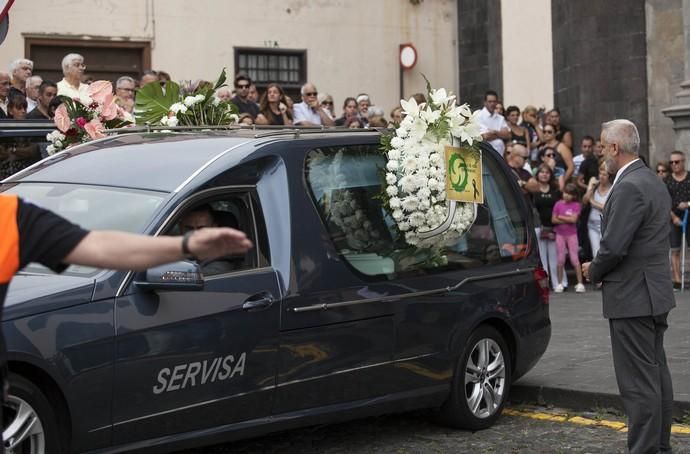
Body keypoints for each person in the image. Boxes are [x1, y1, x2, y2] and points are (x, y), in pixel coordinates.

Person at [0, 193, 253, 438]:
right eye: (188, 229)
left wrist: (183, 246)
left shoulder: (10, 216)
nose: (193, 232)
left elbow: (98, 247)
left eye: (199, 228)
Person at [582, 119, 675, 454]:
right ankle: (659, 446)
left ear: (614, 148)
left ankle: (646, 449)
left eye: (602, 146)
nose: (600, 153)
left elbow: (614, 246)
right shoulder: (651, 180)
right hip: (653, 293)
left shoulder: (629, 186)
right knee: (656, 375)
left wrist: (594, 269)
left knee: (638, 384)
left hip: (633, 297)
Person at [533, 164, 564, 290]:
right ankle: (545, 284)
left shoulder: (555, 190)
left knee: (554, 257)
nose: (544, 174)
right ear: (537, 174)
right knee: (542, 258)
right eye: (542, 172)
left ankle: (557, 283)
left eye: (547, 172)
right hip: (539, 227)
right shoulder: (534, 190)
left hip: (554, 227)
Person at [551, 182, 585, 293]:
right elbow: (553, 220)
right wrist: (567, 218)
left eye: (569, 194)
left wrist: (560, 216)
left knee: (574, 258)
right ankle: (559, 283)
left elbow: (573, 220)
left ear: (574, 196)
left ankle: (580, 283)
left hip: (572, 235)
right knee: (560, 259)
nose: (566, 195)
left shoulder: (576, 205)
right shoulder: (558, 204)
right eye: (565, 193)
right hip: (560, 234)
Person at [664, 150, 690, 288]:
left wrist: (688, 204)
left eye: (677, 162)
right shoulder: (667, 180)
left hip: (689, 214)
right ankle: (677, 280)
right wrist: (673, 217)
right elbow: (664, 202)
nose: (674, 164)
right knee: (674, 249)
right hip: (672, 216)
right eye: (671, 162)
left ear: (683, 162)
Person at [582, 161, 613, 259]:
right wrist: (590, 187)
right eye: (600, 173)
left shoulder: (613, 189)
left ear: (609, 176)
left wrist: (593, 202)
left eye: (604, 174)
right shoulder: (595, 186)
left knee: (604, 254)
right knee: (595, 254)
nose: (601, 176)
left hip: (606, 226)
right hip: (592, 225)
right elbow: (584, 201)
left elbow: (606, 208)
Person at [540, 124, 574, 189]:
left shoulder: (562, 147)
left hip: (559, 181)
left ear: (555, 133)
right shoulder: (543, 147)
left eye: (549, 132)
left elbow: (571, 167)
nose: (546, 134)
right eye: (544, 132)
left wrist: (562, 181)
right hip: (545, 182)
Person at [478, 90, 510, 156]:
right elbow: (484, 137)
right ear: (485, 102)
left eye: (494, 101)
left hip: (500, 156)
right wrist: (500, 134)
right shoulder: (478, 115)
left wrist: (495, 132)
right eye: (490, 101)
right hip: (484, 154)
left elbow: (508, 135)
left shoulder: (500, 118)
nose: (492, 104)